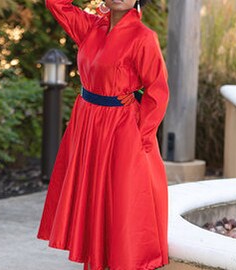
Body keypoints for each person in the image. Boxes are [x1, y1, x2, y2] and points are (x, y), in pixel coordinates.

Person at [36, 0, 170, 269]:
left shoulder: (144, 37)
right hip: (87, 123)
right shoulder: (89, 27)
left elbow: (157, 90)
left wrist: (142, 136)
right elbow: (55, 3)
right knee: (92, 202)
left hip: (122, 129)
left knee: (119, 201)